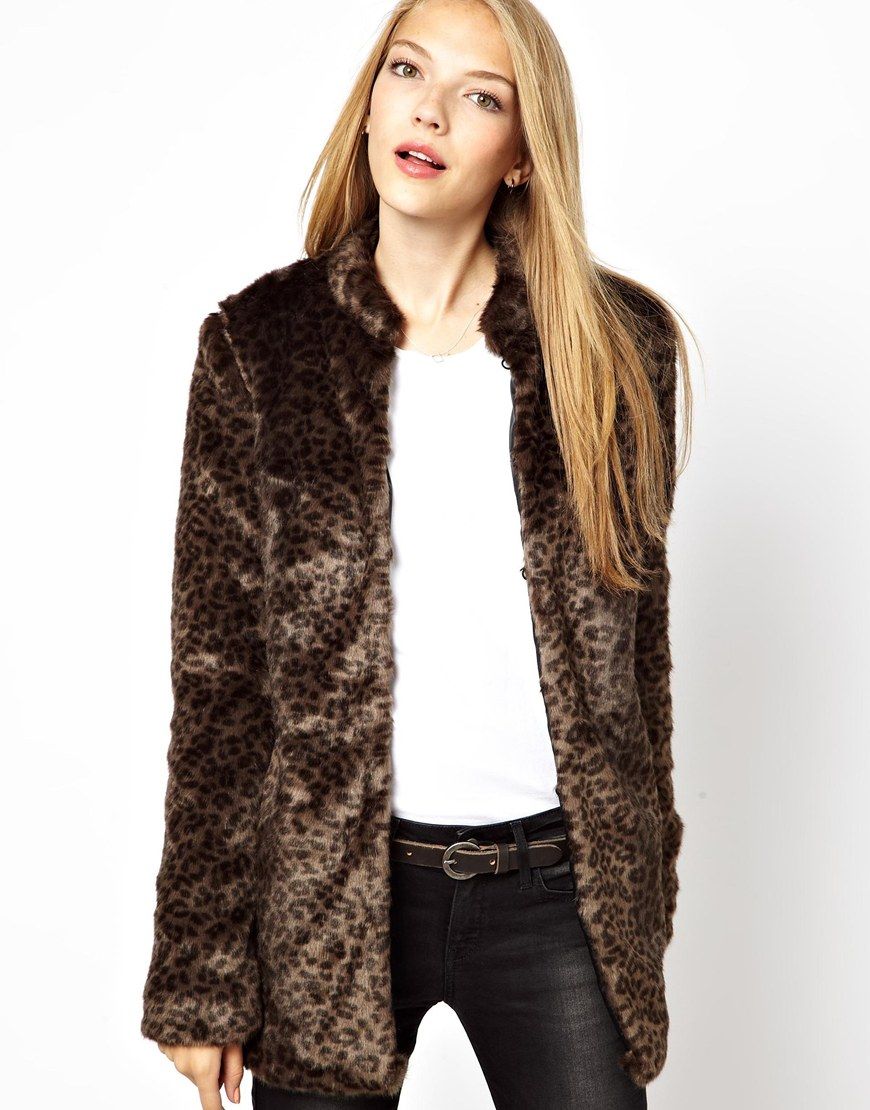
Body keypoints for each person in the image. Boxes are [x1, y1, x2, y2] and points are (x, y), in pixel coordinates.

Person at [140, 0, 694, 1106]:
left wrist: (643, 888)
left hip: (557, 895)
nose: (429, 111)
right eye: (407, 71)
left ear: (524, 152)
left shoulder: (615, 346)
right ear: (371, 101)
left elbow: (637, 653)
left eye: (480, 95)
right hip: (330, 898)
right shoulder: (260, 347)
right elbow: (219, 686)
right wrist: (200, 977)